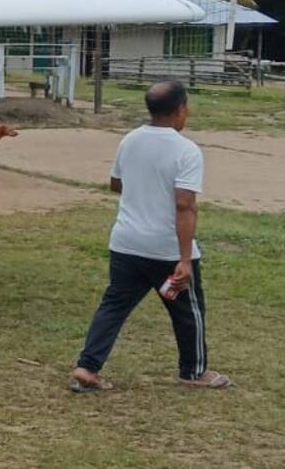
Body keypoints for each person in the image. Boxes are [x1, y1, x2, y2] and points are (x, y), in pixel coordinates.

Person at [71, 79, 230, 392]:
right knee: (188, 311)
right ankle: (194, 371)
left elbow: (116, 183)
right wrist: (185, 259)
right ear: (180, 110)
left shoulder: (130, 140)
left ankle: (87, 367)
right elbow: (185, 205)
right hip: (166, 250)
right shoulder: (187, 151)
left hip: (126, 243)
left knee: (113, 306)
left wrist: (143, 186)